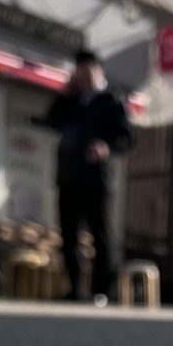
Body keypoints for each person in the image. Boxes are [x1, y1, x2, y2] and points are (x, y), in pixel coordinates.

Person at [46, 49, 132, 305]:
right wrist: (65, 92)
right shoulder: (73, 100)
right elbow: (52, 120)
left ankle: (103, 290)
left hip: (97, 180)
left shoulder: (112, 100)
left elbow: (126, 137)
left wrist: (107, 147)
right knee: (69, 235)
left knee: (102, 235)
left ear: (98, 70)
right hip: (69, 177)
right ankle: (75, 289)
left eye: (87, 72)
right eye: (78, 73)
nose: (83, 78)